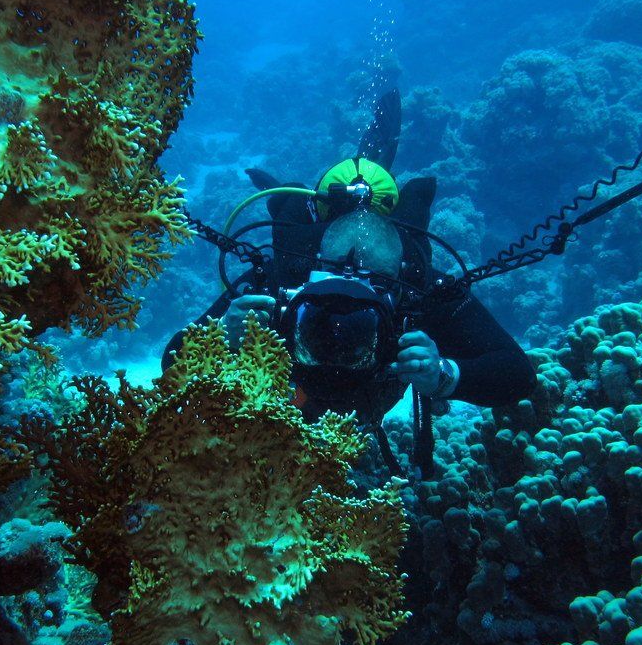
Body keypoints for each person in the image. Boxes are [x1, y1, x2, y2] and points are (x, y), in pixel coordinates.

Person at [163, 90, 535, 471]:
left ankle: (374, 152)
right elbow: (172, 360)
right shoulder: (278, 282)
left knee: (367, 181)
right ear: (312, 269)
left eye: (364, 301)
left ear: (392, 287)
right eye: (330, 286)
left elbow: (517, 374)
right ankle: (361, 163)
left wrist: (445, 375)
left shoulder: (416, 294)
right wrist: (223, 336)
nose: (342, 316)